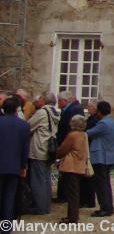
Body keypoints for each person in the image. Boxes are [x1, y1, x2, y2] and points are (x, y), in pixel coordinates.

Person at [0, 95, 30, 224]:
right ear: (17, 109)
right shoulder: (23, 125)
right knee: (9, 197)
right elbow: (25, 148)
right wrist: (23, 166)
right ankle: (6, 226)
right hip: (14, 165)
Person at [28, 93, 59, 215]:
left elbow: (28, 126)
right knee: (46, 179)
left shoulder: (42, 112)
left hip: (39, 148)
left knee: (38, 180)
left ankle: (40, 207)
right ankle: (46, 206)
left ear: (44, 101)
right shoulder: (55, 112)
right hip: (49, 149)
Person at [86, 101, 114, 217]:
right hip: (109, 156)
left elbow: (88, 133)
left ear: (100, 111)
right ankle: (108, 206)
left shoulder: (103, 123)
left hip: (101, 157)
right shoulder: (113, 122)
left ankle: (105, 207)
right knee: (106, 183)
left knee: (101, 185)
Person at [56, 115, 88, 224]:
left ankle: (72, 218)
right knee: (74, 193)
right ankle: (71, 216)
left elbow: (63, 150)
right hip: (79, 166)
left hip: (71, 167)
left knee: (72, 194)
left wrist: (56, 154)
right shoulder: (83, 134)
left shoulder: (73, 135)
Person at [55, 92, 82, 204]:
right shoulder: (75, 108)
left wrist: (60, 149)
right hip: (70, 148)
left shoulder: (71, 111)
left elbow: (64, 130)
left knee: (67, 175)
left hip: (68, 149)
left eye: (59, 100)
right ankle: (63, 195)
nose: (58, 103)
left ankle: (63, 196)